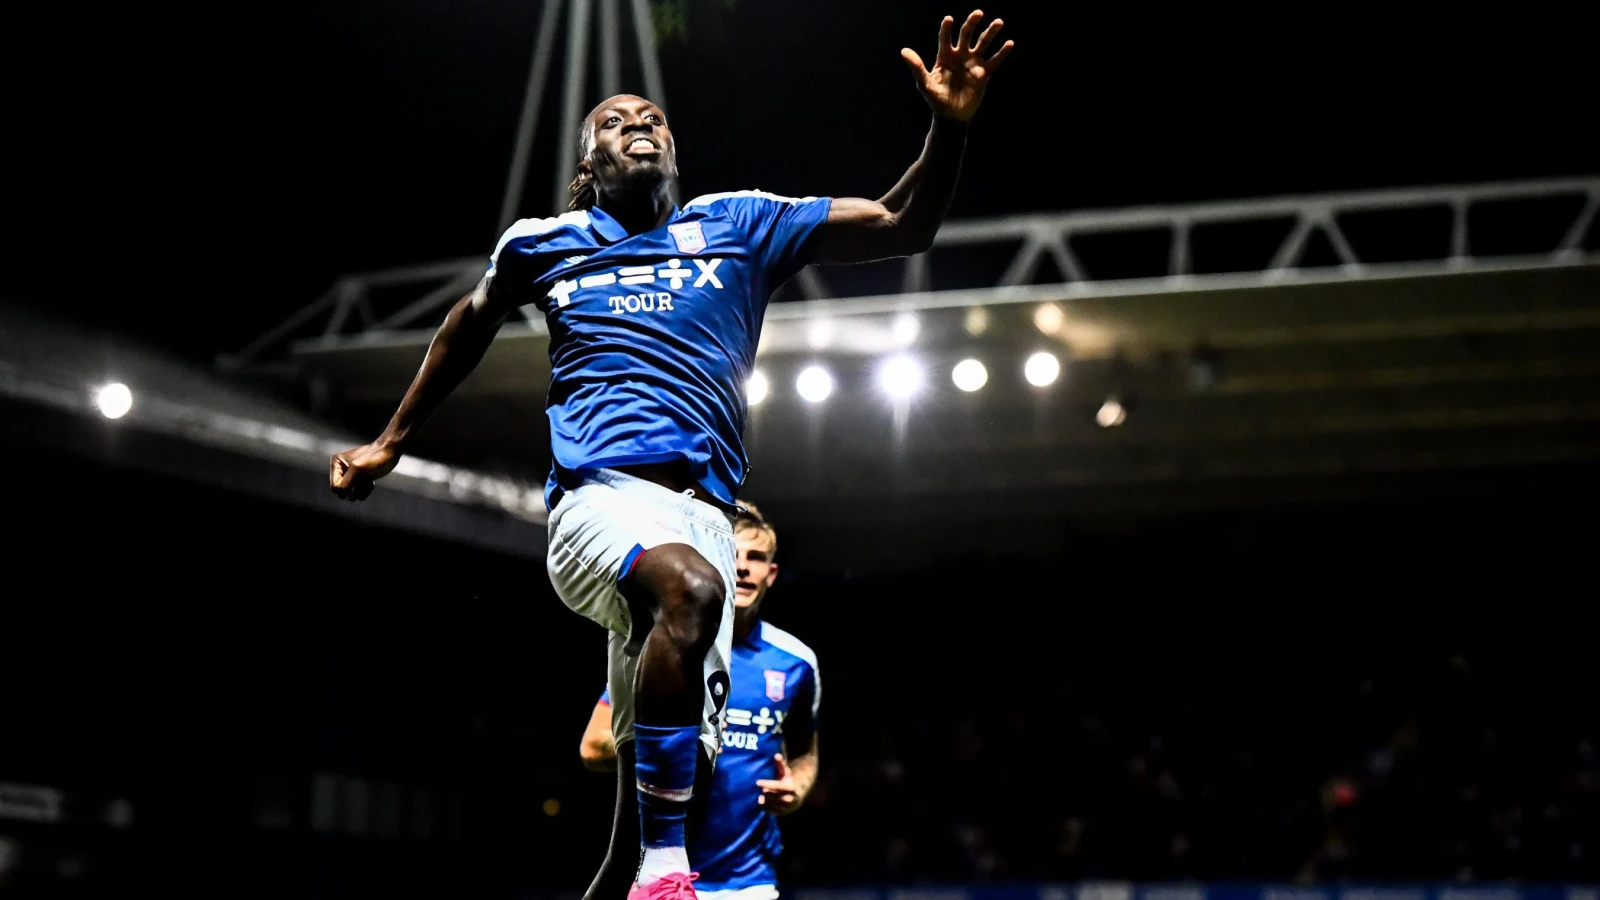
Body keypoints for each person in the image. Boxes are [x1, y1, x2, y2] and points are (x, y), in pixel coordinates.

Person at [328, 11, 1011, 900]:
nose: (638, 124)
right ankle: (666, 869)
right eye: (614, 122)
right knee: (689, 598)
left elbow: (899, 223)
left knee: (657, 795)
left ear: (674, 152)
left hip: (706, 517)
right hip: (598, 501)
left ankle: (643, 865)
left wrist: (949, 128)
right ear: (588, 165)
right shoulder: (541, 243)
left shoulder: (739, 226)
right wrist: (389, 442)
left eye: (652, 117)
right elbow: (467, 324)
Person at [580, 502, 818, 900]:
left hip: (750, 882)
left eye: (756, 558)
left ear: (771, 573)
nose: (743, 568)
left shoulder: (796, 662)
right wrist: (677, 744)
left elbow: (805, 752)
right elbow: (594, 746)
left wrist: (796, 788)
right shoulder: (667, 647)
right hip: (659, 876)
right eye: (734, 554)